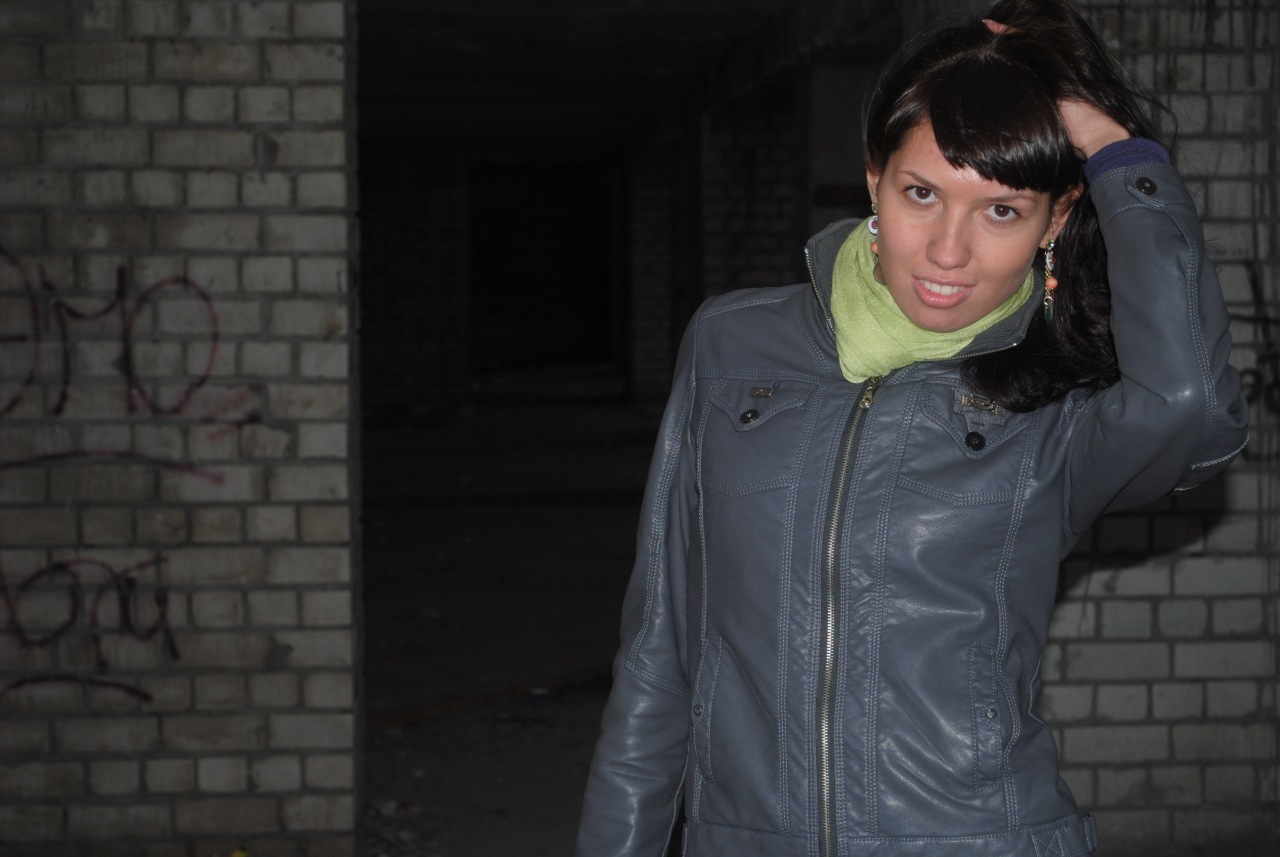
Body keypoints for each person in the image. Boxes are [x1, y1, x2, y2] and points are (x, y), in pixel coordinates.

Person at [576, 1, 1249, 855]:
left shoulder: (1051, 410)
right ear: (874, 180)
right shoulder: (732, 346)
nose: (946, 252)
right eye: (921, 193)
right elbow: (660, 651)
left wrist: (1117, 150)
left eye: (1001, 210)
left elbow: (1192, 407)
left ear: (1056, 219)